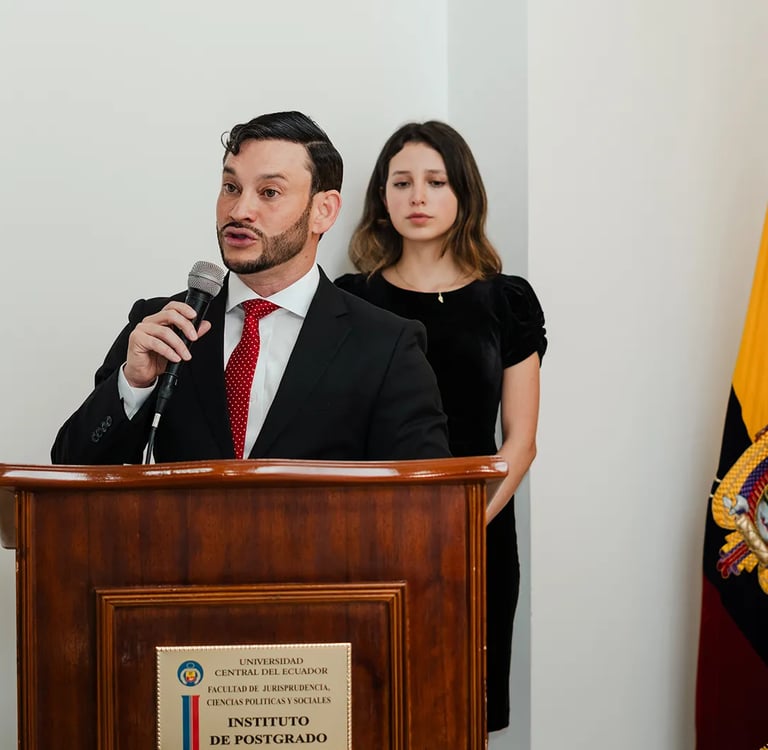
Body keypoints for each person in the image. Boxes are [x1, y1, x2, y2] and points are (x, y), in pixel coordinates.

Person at [51, 111, 450, 466]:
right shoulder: (162, 327)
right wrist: (133, 385)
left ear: (323, 211)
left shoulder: (386, 345)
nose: (239, 211)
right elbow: (71, 468)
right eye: (231, 187)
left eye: (269, 192)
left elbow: (422, 506)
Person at [334, 120, 546, 732]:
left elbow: (521, 443)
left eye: (435, 181)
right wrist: (395, 526)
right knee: (366, 711)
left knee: (457, 712)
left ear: (464, 196)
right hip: (369, 535)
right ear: (381, 197)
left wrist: (453, 525)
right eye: (401, 182)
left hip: (476, 536)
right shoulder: (350, 299)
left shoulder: (506, 300)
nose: (417, 197)